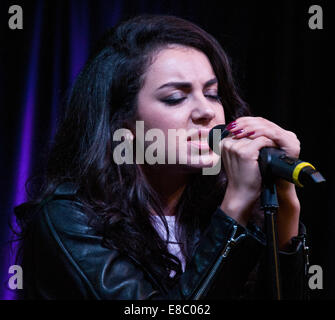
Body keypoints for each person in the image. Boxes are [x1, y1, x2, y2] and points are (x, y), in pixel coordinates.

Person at [14, 14, 308, 300]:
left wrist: (285, 197)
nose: (206, 111)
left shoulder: (214, 209)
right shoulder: (69, 220)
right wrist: (236, 206)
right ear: (123, 124)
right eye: (175, 98)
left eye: (213, 93)